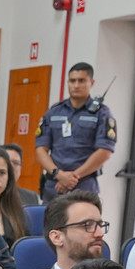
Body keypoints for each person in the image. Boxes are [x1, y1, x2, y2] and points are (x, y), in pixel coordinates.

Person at [35, 62, 117, 197]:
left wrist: (72, 178)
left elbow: (104, 152)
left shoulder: (102, 114)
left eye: (81, 81)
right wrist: (59, 174)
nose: (76, 85)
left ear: (92, 83)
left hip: (84, 185)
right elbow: (40, 150)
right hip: (54, 185)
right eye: (72, 81)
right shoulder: (54, 112)